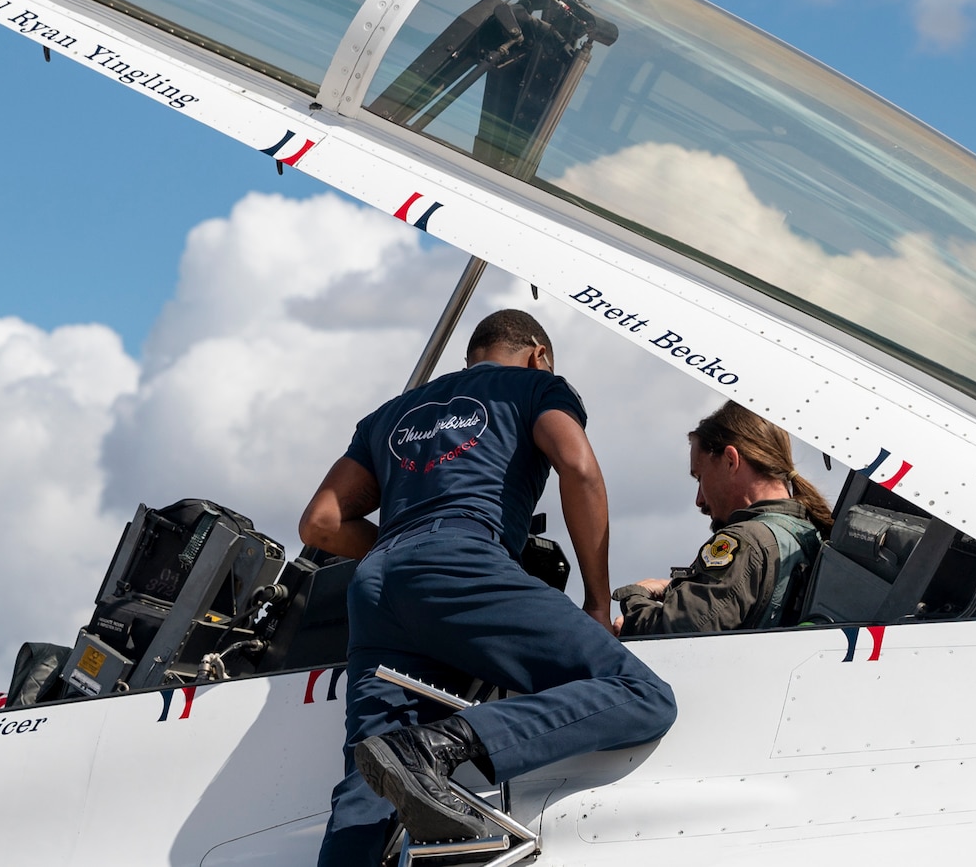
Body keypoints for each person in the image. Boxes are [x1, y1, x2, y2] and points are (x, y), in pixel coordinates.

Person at [300, 309, 678, 866]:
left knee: (368, 783)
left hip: (376, 586)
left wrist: (402, 548)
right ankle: (438, 746)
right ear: (538, 354)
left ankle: (406, 760)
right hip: (462, 560)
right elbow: (578, 468)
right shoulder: (535, 386)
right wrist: (597, 601)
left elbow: (320, 525)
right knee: (643, 695)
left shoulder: (389, 416)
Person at [615, 402, 833, 637]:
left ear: (731, 460)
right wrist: (675, 590)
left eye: (700, 477)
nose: (699, 500)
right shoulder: (808, 533)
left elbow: (679, 631)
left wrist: (635, 601)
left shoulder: (744, 542)